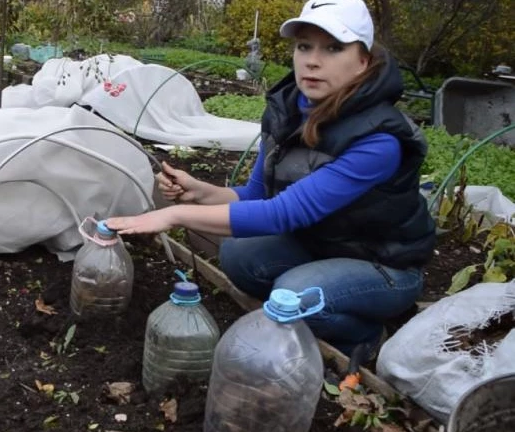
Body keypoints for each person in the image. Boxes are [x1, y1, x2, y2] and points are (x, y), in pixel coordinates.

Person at [106, 0, 436, 358]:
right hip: (323, 246)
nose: (312, 60)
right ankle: (317, 299)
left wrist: (172, 215)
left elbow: (283, 214)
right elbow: (256, 194)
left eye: (333, 48)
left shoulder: (378, 140)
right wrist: (199, 192)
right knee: (240, 253)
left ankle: (365, 334)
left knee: (292, 296)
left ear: (363, 61)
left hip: (384, 266)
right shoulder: (287, 112)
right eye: (304, 46)